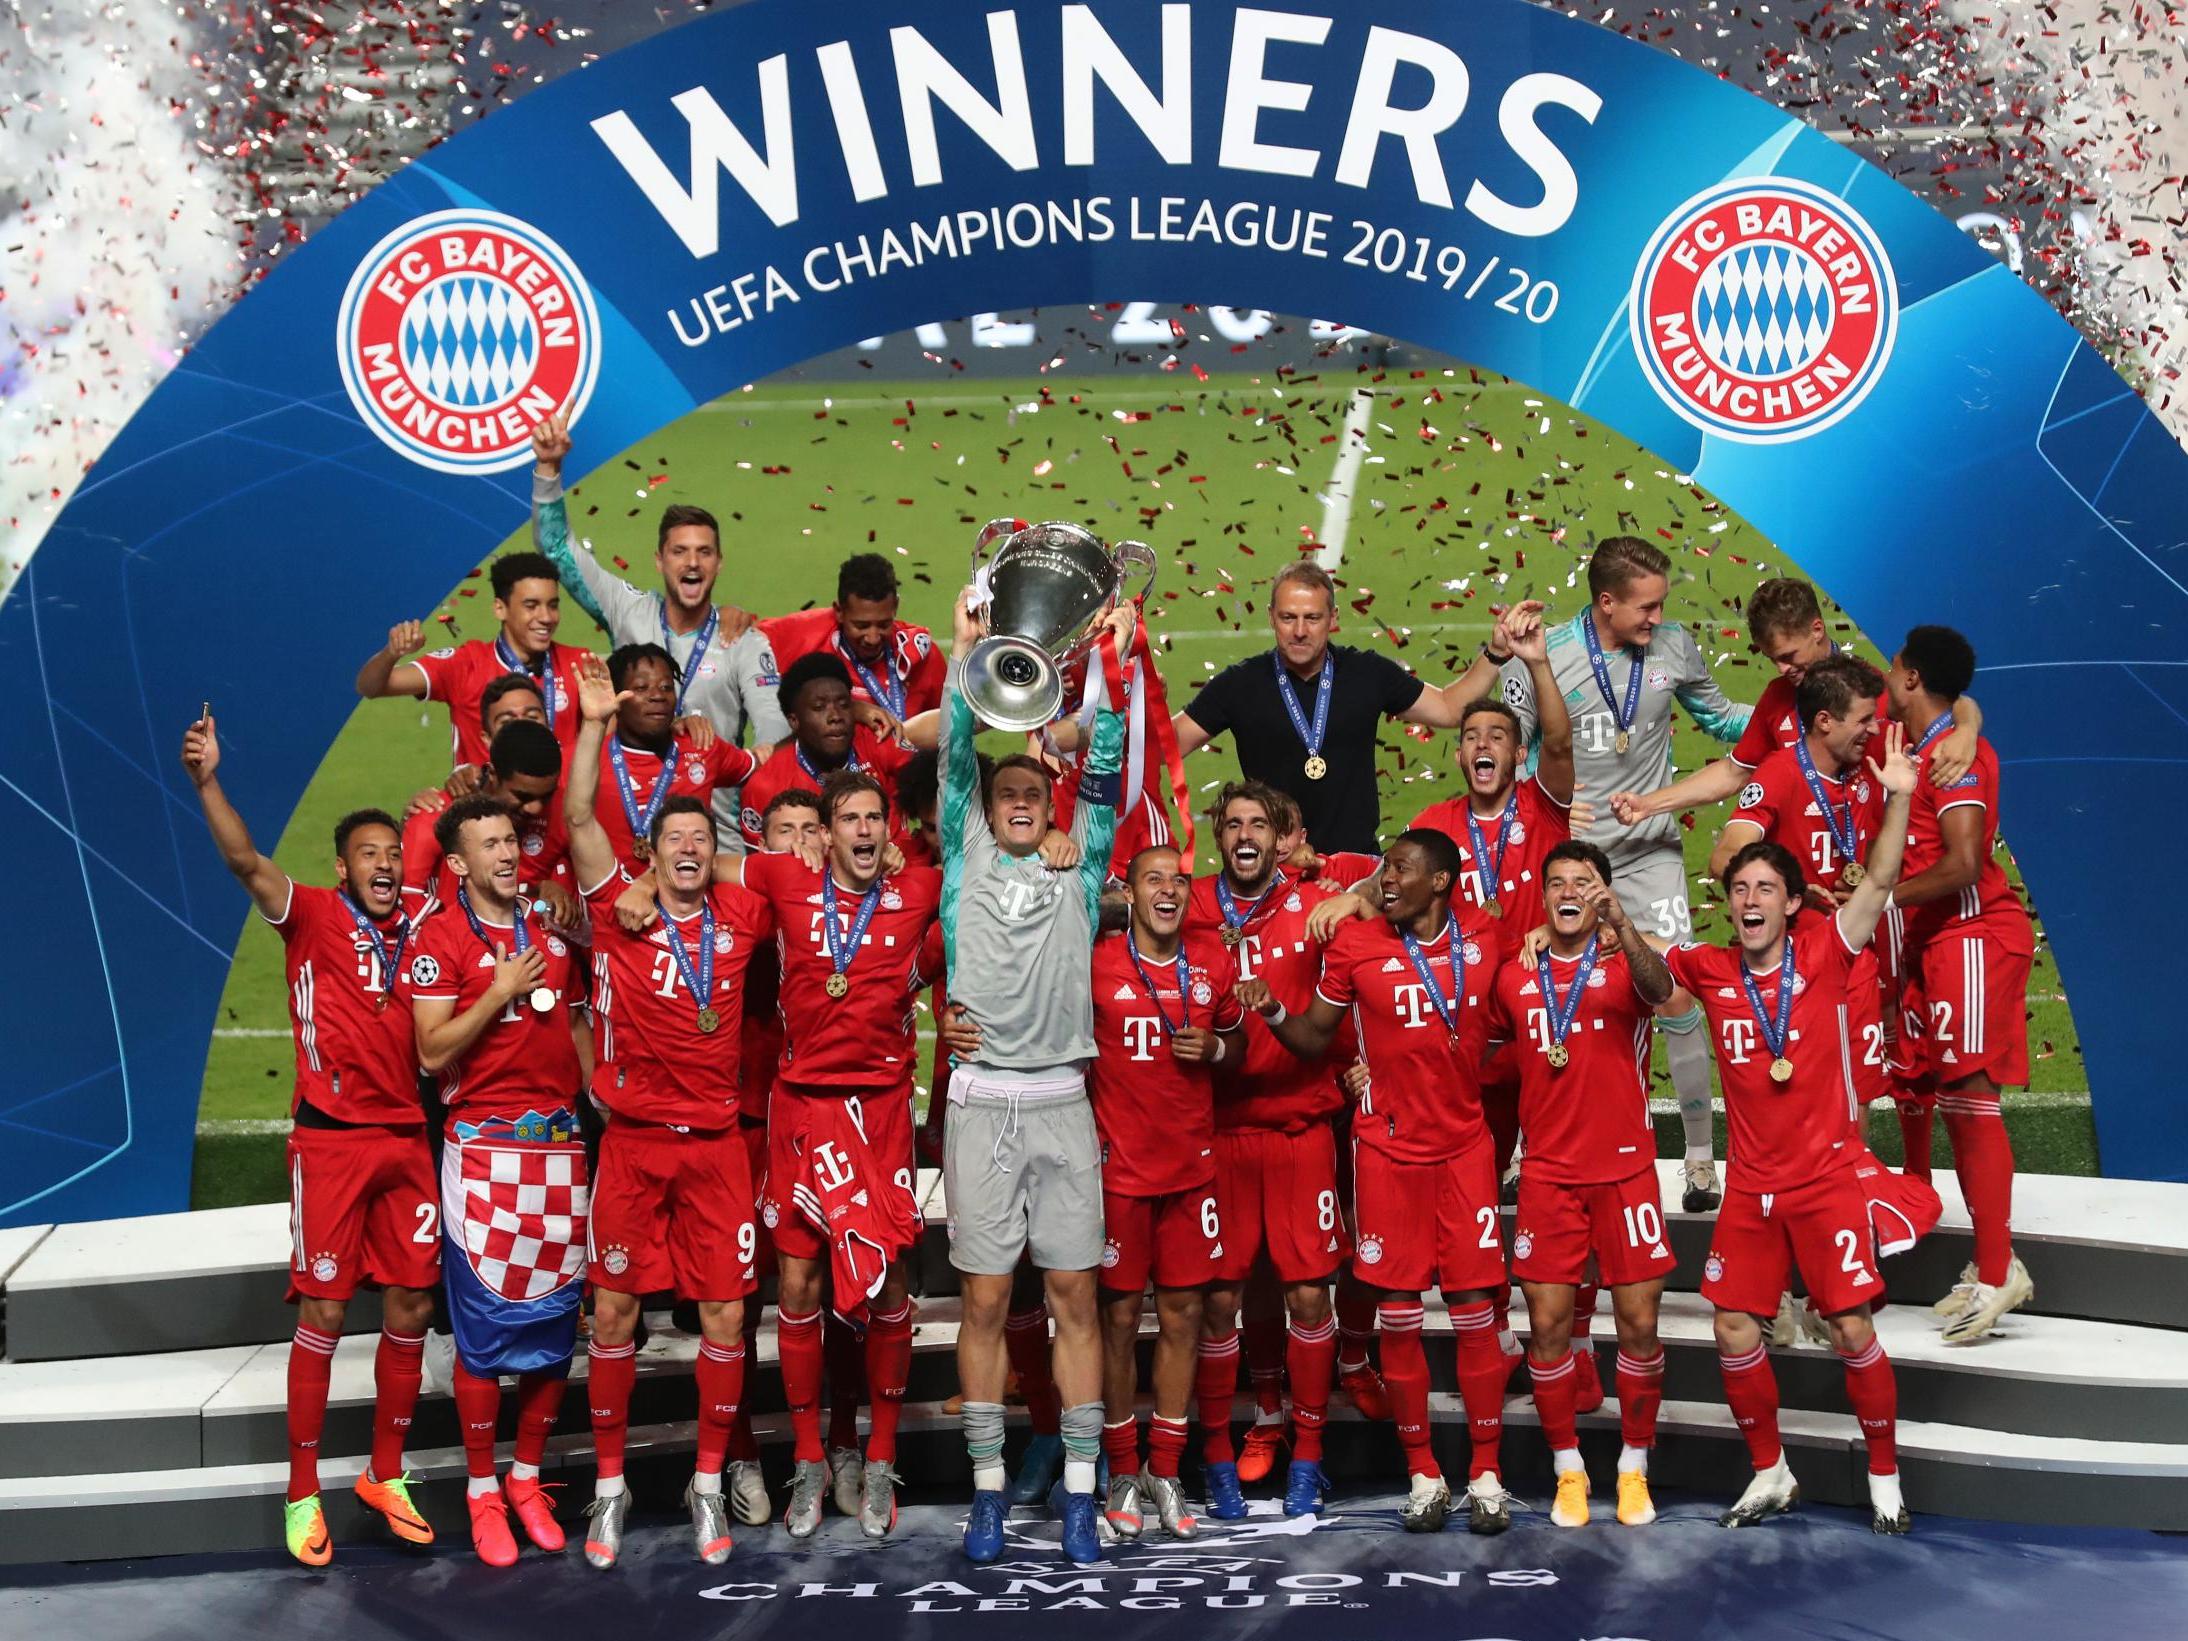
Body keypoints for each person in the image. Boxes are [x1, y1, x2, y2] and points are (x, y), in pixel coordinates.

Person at [641, 770, 940, 1540]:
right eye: (849, 819)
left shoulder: (919, 888)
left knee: (888, 1285)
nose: (864, 830)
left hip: (877, 1115)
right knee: (799, 1284)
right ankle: (808, 1458)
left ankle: (877, 1458)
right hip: (801, 1111)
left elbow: (994, 871)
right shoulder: (782, 876)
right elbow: (693, 860)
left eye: (876, 817)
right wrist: (641, 882)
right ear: (827, 833)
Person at [181, 711, 436, 1567]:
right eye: (370, 853)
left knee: (410, 1304)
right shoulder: (313, 915)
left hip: (407, 1142)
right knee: (326, 1311)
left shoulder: (424, 926)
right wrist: (208, 779)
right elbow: (244, 862)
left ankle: (385, 1473)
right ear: (342, 866)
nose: (386, 865)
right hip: (329, 1144)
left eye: (393, 853)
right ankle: (301, 1490)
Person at [1657, 721, 1919, 1535]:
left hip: (1824, 1181)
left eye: (1766, 889)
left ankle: (1884, 1476)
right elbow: (1642, 971)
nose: (1749, 901)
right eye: (1739, 890)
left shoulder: (1828, 952)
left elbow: (1876, 883)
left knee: (1849, 1326)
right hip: (1752, 1189)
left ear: (1794, 903)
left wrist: (1901, 797)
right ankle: (1770, 1469)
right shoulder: (1709, 967)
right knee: (1732, 1321)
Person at [1238, 829, 1516, 1536]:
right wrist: (1271, 1007)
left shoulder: (1488, 935)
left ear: (1443, 881)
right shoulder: (1355, 947)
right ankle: (1424, 1473)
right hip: (1386, 1151)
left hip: (1464, 1151)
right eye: (1384, 868)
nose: (1385, 880)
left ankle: (1486, 1472)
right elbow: (1311, 1036)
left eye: (1400, 869)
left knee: (1475, 1309)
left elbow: (1526, 1004)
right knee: (1397, 1312)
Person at [940, 586, 1136, 1567]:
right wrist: (962, 653)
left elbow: (1102, 758)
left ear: (1050, 803)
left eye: (1033, 794)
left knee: (1073, 1297)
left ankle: (1079, 1496)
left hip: (1061, 1097)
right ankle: (984, 1493)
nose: (1018, 802)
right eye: (1005, 792)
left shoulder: (1081, 866)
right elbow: (948, 765)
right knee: (982, 1302)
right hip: (980, 1104)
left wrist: (1116, 662)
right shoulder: (960, 851)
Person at [565, 655, 767, 1569]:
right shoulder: (618, 909)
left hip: (719, 1149)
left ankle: (708, 1481)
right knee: (612, 1313)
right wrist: (598, 726)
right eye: (670, 839)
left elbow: (804, 849)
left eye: (700, 838)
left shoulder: (746, 909)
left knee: (726, 1320)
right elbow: (575, 818)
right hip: (636, 1149)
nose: (686, 849)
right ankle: (610, 1491)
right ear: (649, 851)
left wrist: (731, 852)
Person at [1494, 537, 1750, 1214]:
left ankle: (1700, 1161)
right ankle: (1529, 1146)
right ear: (1605, 602)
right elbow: (1506, 745)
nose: (1657, 617)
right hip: (1570, 858)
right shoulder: (1543, 655)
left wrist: (1787, 711)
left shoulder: (1672, 647)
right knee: (1552, 997)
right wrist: (1541, 790)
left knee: (1675, 995)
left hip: (1650, 852)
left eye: (1661, 603)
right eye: (1646, 605)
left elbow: (1723, 719)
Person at [401, 796, 589, 1567]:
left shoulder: (548, 925)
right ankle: (481, 1490)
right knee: (483, 1335)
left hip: (559, 1150)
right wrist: (500, 990)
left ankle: (524, 1477)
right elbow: (429, 1050)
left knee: (551, 1329)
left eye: (511, 839)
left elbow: (572, 1022)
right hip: (483, 1154)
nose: (507, 853)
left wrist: (597, 1090)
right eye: (489, 844)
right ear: (457, 864)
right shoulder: (438, 937)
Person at [1183, 781, 1361, 1520]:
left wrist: (1355, 897)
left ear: (1280, 835)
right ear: (1218, 835)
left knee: (1308, 1291)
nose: (1245, 834)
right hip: (1217, 1132)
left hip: (1298, 1130)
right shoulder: (1187, 902)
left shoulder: (1319, 899)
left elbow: (1410, 873)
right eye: (1233, 823)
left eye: (1260, 822)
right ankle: (1240, 1438)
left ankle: (1310, 1452)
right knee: (1225, 1296)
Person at [1490, 842, 1678, 1529]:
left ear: (1601, 891)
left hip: (1626, 1171)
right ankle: (1569, 1469)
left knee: (1640, 1325)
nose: (1570, 890)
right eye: (1558, 882)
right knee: (1546, 1327)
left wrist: (1622, 924)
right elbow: (1477, 1042)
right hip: (1547, 1175)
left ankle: (1633, 1467)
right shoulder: (1516, 974)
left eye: (1584, 881)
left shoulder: (1623, 963)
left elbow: (1664, 991)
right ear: (1543, 896)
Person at [529, 414, 787, 845]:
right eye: (680, 552)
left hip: (713, 833)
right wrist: (549, 470)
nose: (692, 563)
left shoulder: (742, 640)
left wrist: (746, 761)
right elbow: (557, 550)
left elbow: (775, 729)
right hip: (625, 825)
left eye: (704, 552)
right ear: (659, 560)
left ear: (719, 563)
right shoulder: (626, 611)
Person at [1883, 625, 2037, 1344]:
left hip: (1971, 937)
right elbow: (1961, 703)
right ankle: (1989, 1262)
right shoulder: (1930, 738)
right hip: (1938, 943)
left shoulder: (1953, 765)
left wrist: (1885, 896)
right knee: (1952, 1096)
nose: (1885, 668)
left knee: (1973, 1098)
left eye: (1894, 661)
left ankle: (1999, 1267)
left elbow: (1967, 862)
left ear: (1910, 676)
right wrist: (1968, 721)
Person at [1087, 845, 1244, 1542]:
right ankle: (1121, 1468)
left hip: (1193, 1173)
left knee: (1183, 1318)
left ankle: (1167, 1468)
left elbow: (1237, 1044)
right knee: (1118, 1322)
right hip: (1118, 1174)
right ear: (1131, 892)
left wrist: (1213, 1051)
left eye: (1181, 880)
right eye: (1155, 879)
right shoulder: (1096, 964)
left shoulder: (1214, 960)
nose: (1171, 890)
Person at [1171, 560, 1521, 856]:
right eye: (1288, 617)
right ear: (1271, 617)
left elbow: (1448, 708)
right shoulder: (1240, 684)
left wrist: (1496, 652)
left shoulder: (1367, 673)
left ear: (1333, 618)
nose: (1299, 631)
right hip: (1273, 873)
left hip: (1357, 871)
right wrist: (1135, 695)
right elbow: (1167, 744)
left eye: (1312, 618)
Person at [1608, 577, 1981, 822]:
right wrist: (1649, 804)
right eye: (1773, 659)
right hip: (1801, 886)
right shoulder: (1777, 698)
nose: (1783, 669)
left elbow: (1941, 705)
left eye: (1789, 655)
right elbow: (1735, 772)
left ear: (1817, 629)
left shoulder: (1875, 687)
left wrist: (1967, 725)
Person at [355, 554, 592, 768]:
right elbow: (370, 687)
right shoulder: (466, 664)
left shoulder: (580, 664)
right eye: (531, 606)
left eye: (553, 605)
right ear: (500, 608)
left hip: (557, 810)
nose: (546, 617)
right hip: (485, 812)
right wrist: (392, 653)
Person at [589, 642, 772, 873]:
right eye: (641, 688)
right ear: (615, 698)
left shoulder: (701, 745)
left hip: (690, 897)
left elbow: (763, 767)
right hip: (612, 899)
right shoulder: (588, 760)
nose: (657, 696)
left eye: (666, 687)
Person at [738, 651, 915, 848]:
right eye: (819, 707)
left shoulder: (879, 742)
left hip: (897, 874)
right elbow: (759, 870)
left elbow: (939, 785)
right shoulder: (765, 785)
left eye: (844, 705)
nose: (835, 716)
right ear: (794, 721)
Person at [400, 718, 570, 916]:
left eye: (546, 796)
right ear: (492, 774)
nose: (535, 808)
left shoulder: (563, 816)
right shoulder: (434, 818)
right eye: (523, 796)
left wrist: (545, 890)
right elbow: (404, 903)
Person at [762, 551, 947, 723]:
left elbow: (949, 729)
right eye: (861, 626)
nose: (873, 638)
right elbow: (745, 640)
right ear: (839, 611)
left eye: (883, 625)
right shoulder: (805, 635)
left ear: (895, 607)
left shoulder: (921, 657)